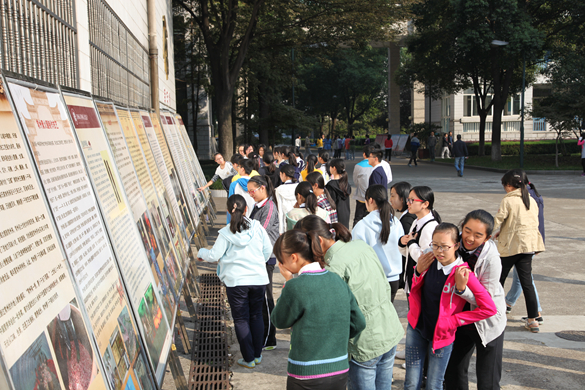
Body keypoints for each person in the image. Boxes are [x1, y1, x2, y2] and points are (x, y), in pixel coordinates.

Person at [294, 216, 404, 390]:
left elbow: (328, 316)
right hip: (389, 329)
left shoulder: (333, 268)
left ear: (319, 240)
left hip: (364, 343)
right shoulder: (360, 246)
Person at [404, 223, 497, 390]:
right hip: (417, 327)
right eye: (435, 245)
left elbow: (489, 308)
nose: (439, 251)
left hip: (442, 336)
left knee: (434, 384)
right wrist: (417, 272)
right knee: (411, 382)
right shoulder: (429, 260)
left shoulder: (462, 273)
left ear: (456, 245)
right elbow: (415, 290)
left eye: (444, 247)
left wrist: (455, 320)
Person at [271, 230, 366, 390]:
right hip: (339, 369)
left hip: (306, 372)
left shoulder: (295, 286)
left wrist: (288, 280)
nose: (280, 265)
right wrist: (335, 338)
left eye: (281, 260)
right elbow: (359, 322)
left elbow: (279, 320)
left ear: (293, 257)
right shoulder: (337, 280)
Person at [197, 194, 272, 368]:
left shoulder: (225, 233)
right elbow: (267, 251)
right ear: (246, 209)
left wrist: (201, 252)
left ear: (229, 212)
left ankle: (248, 359)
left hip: (236, 282)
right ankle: (257, 355)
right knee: (256, 316)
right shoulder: (257, 227)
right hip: (258, 279)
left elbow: (214, 255)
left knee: (241, 319)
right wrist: (257, 263)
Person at [444, 210, 507, 390]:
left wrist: (461, 289)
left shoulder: (492, 258)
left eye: (478, 235)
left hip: (487, 320)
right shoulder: (455, 245)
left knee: (488, 379)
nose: (470, 238)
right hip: (461, 317)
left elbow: (485, 300)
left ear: (487, 238)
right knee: (453, 370)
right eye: (467, 230)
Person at [494, 169, 545, 333]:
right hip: (528, 247)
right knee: (527, 283)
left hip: (511, 247)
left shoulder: (508, 200)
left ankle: (495, 312)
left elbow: (499, 219)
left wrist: (485, 233)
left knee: (497, 280)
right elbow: (526, 223)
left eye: (504, 185)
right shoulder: (531, 200)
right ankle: (533, 319)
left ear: (509, 186)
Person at [352, 185, 404, 302]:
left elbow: (355, 255)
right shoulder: (396, 223)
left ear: (370, 200)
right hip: (393, 279)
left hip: (372, 280)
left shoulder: (362, 225)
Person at [505, 175, 544, 323]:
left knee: (525, 279)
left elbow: (537, 223)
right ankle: (508, 302)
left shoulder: (528, 198)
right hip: (528, 243)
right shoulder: (531, 195)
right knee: (520, 278)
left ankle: (536, 313)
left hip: (524, 244)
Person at [247, 175, 280, 351]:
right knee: (258, 297)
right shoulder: (257, 205)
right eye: (248, 191)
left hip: (265, 258)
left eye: (252, 191)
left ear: (262, 188)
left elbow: (260, 232)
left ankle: (269, 337)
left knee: (266, 299)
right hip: (256, 257)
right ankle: (262, 334)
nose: (250, 194)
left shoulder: (269, 207)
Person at [399, 186, 441, 294]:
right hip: (413, 281)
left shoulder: (430, 227)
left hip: (422, 285)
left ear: (425, 204)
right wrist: (402, 243)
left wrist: (411, 243)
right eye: (408, 200)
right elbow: (408, 253)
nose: (408, 203)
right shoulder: (417, 221)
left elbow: (425, 259)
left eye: (411, 200)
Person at [390, 181, 416, 291]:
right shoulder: (408, 217)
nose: (390, 199)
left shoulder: (407, 220)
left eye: (392, 195)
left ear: (402, 198)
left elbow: (406, 249)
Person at [326, 158, 352, 229]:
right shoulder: (346, 183)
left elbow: (330, 203)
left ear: (334, 168)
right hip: (346, 214)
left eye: (330, 167)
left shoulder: (331, 185)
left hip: (335, 216)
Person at [352, 145, 373, 227]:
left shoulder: (358, 166)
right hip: (372, 198)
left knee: (358, 217)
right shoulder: (376, 165)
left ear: (364, 154)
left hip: (361, 196)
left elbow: (355, 181)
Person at [275, 164, 299, 234]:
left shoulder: (279, 189)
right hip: (298, 218)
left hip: (287, 221)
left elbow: (280, 211)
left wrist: (281, 230)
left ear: (284, 174)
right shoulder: (298, 186)